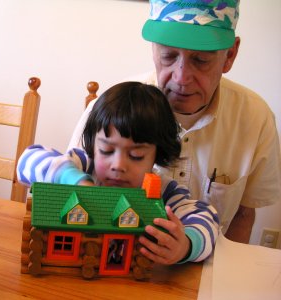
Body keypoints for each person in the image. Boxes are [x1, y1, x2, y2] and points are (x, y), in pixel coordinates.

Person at [68, 0, 281, 244]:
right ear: (153, 50)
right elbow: (65, 180)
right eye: (168, 56)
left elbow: (244, 214)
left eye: (200, 60)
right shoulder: (112, 109)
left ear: (230, 55)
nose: (181, 78)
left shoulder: (256, 118)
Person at [17, 81, 219, 265]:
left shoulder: (162, 191)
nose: (118, 165)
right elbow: (27, 161)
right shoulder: (84, 165)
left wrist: (186, 246)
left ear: (157, 155)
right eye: (106, 150)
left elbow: (207, 218)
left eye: (136, 155)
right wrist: (75, 181)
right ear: (94, 145)